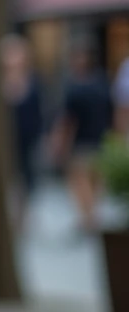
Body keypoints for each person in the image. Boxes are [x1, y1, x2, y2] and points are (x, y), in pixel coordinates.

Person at [52, 44, 113, 236]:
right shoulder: (103, 85)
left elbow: (68, 122)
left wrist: (60, 145)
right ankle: (90, 217)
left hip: (83, 144)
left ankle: (88, 219)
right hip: (102, 141)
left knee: (81, 183)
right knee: (94, 183)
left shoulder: (75, 89)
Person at [1, 34, 44, 232]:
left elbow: (39, 112)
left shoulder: (33, 80)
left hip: (28, 139)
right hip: (6, 140)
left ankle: (22, 216)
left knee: (27, 179)